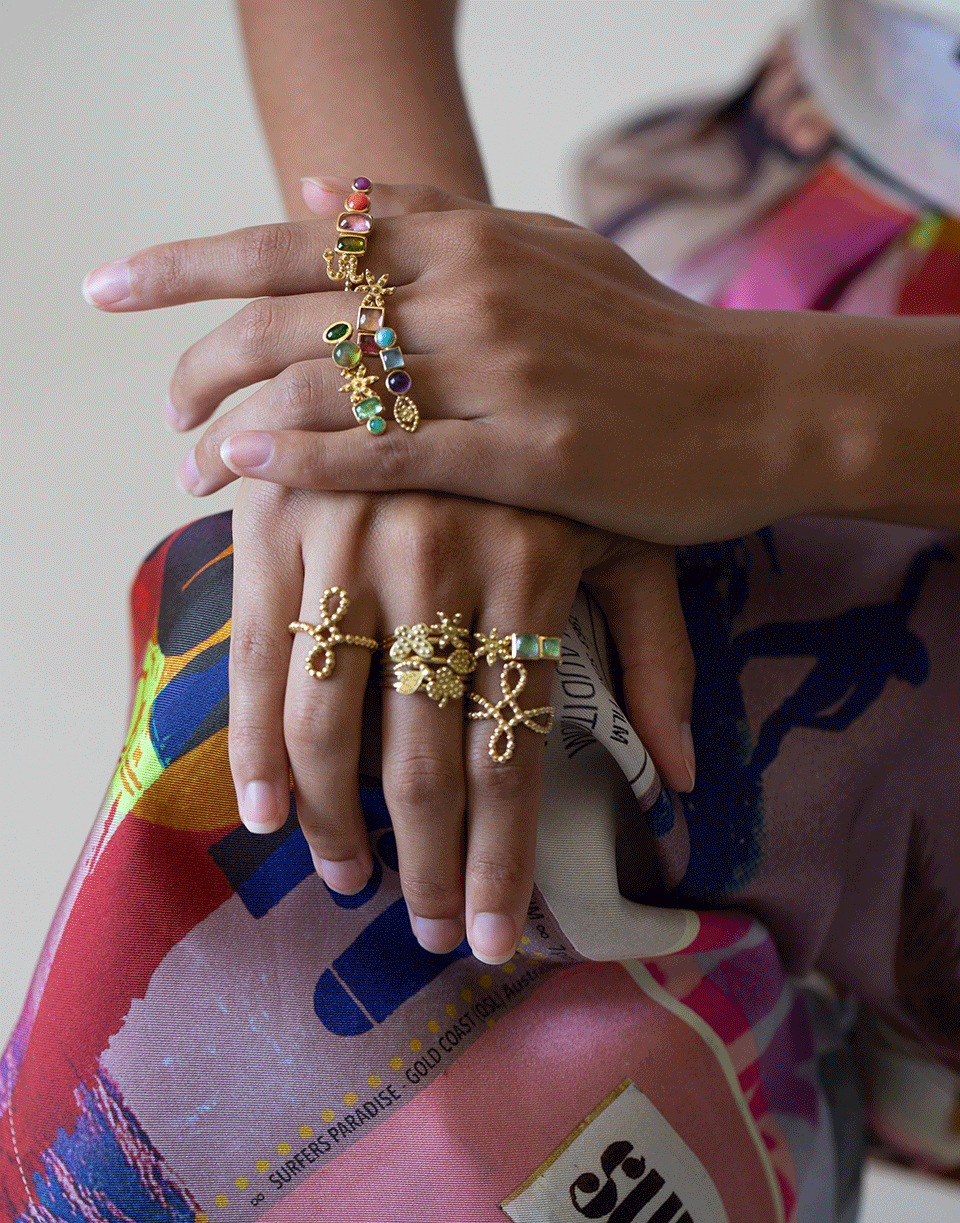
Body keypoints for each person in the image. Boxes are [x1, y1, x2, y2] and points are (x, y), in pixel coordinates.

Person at [2, 1, 958, 1217]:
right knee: (358, 676)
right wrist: (433, 381)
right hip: (814, 241)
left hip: (842, 395)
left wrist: (768, 408)